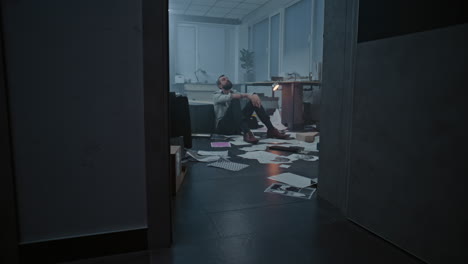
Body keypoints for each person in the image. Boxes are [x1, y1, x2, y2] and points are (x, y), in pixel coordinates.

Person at [213, 74, 289, 144]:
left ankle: (271, 129)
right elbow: (233, 96)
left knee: (253, 102)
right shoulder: (216, 95)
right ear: (220, 86)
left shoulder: (235, 92)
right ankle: (247, 132)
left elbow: (242, 95)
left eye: (227, 78)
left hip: (236, 126)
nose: (227, 80)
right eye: (223, 79)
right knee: (235, 99)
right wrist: (247, 95)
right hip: (223, 127)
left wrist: (254, 95)